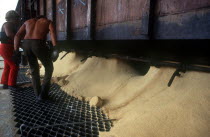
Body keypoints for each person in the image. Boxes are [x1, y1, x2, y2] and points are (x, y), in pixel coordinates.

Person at [14, 15, 60, 101]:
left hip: (26, 44)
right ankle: (43, 94)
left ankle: (37, 94)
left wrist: (16, 50)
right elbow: (52, 33)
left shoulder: (27, 22)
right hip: (38, 44)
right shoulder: (47, 21)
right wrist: (55, 48)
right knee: (49, 67)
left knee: (34, 69)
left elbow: (17, 35)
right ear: (43, 18)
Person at [0, 10, 20, 89]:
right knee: (14, 66)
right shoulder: (8, 24)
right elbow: (10, 34)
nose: (18, 20)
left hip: (5, 47)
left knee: (7, 66)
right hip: (7, 47)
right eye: (17, 18)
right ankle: (12, 85)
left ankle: (5, 83)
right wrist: (19, 42)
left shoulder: (7, 24)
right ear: (13, 17)